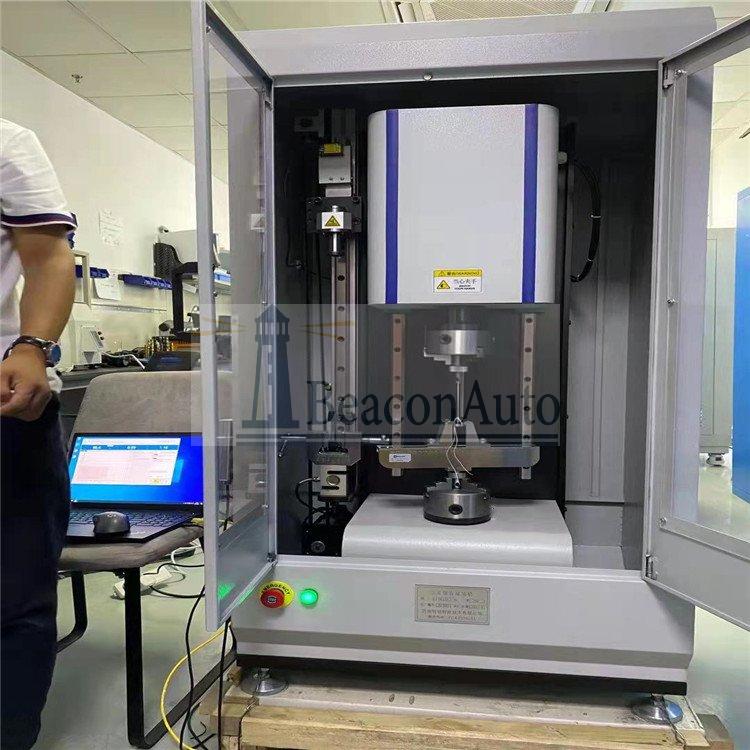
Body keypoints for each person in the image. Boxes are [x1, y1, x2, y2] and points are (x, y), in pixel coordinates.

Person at [1, 118, 76, 749]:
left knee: (14, 591)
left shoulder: (6, 142)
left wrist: (32, 347)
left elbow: (49, 256)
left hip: (4, 399)